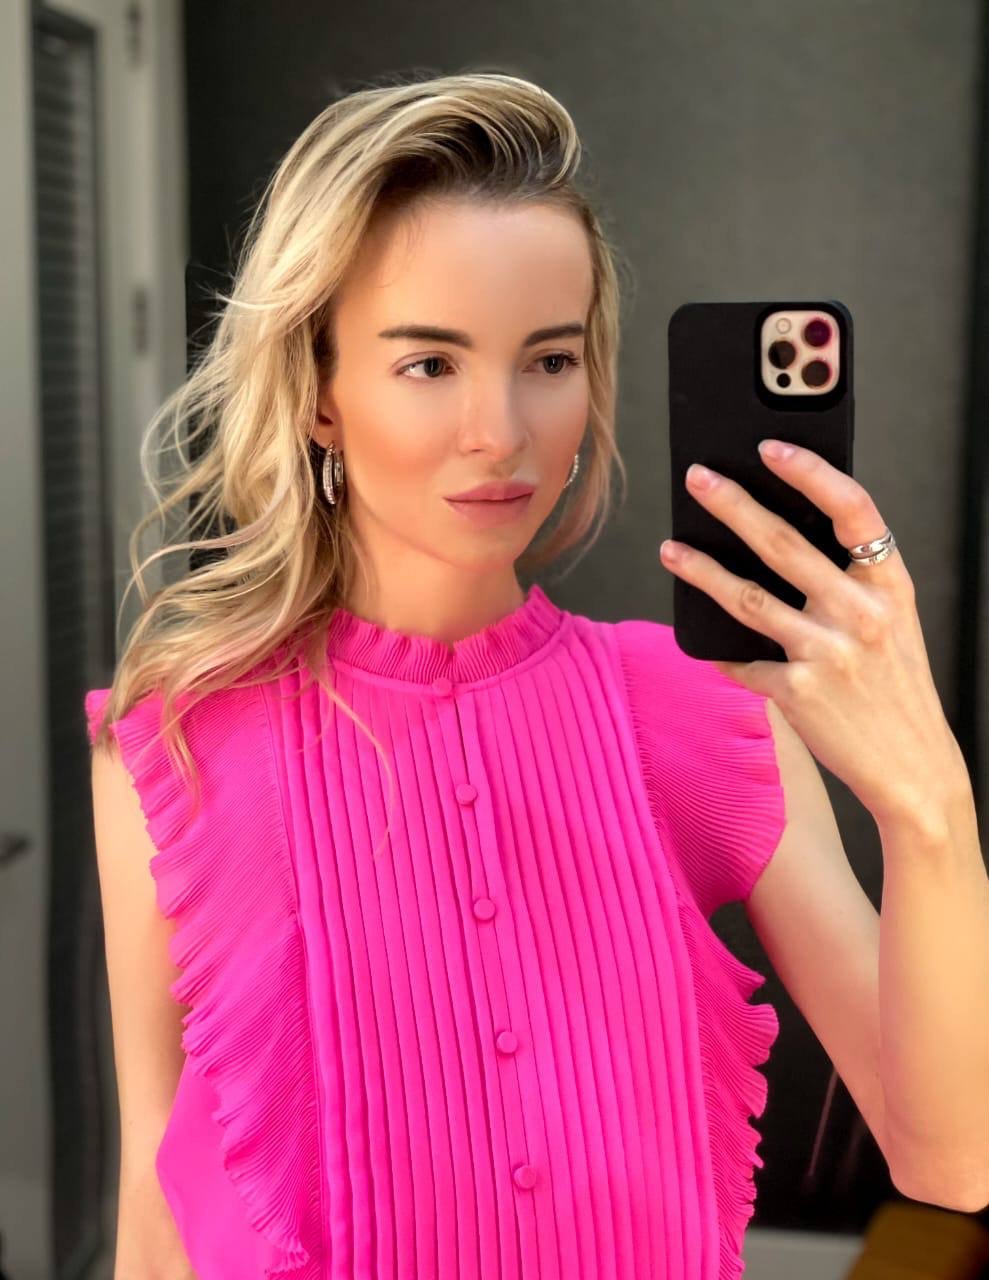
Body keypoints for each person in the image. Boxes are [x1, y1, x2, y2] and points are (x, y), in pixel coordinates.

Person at [87, 71, 787, 1280]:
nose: (500, 432)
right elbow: (154, 1191)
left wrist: (919, 782)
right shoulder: (174, 738)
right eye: (429, 364)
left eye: (548, 359)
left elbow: (953, 1141)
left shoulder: (699, 702)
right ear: (318, 390)